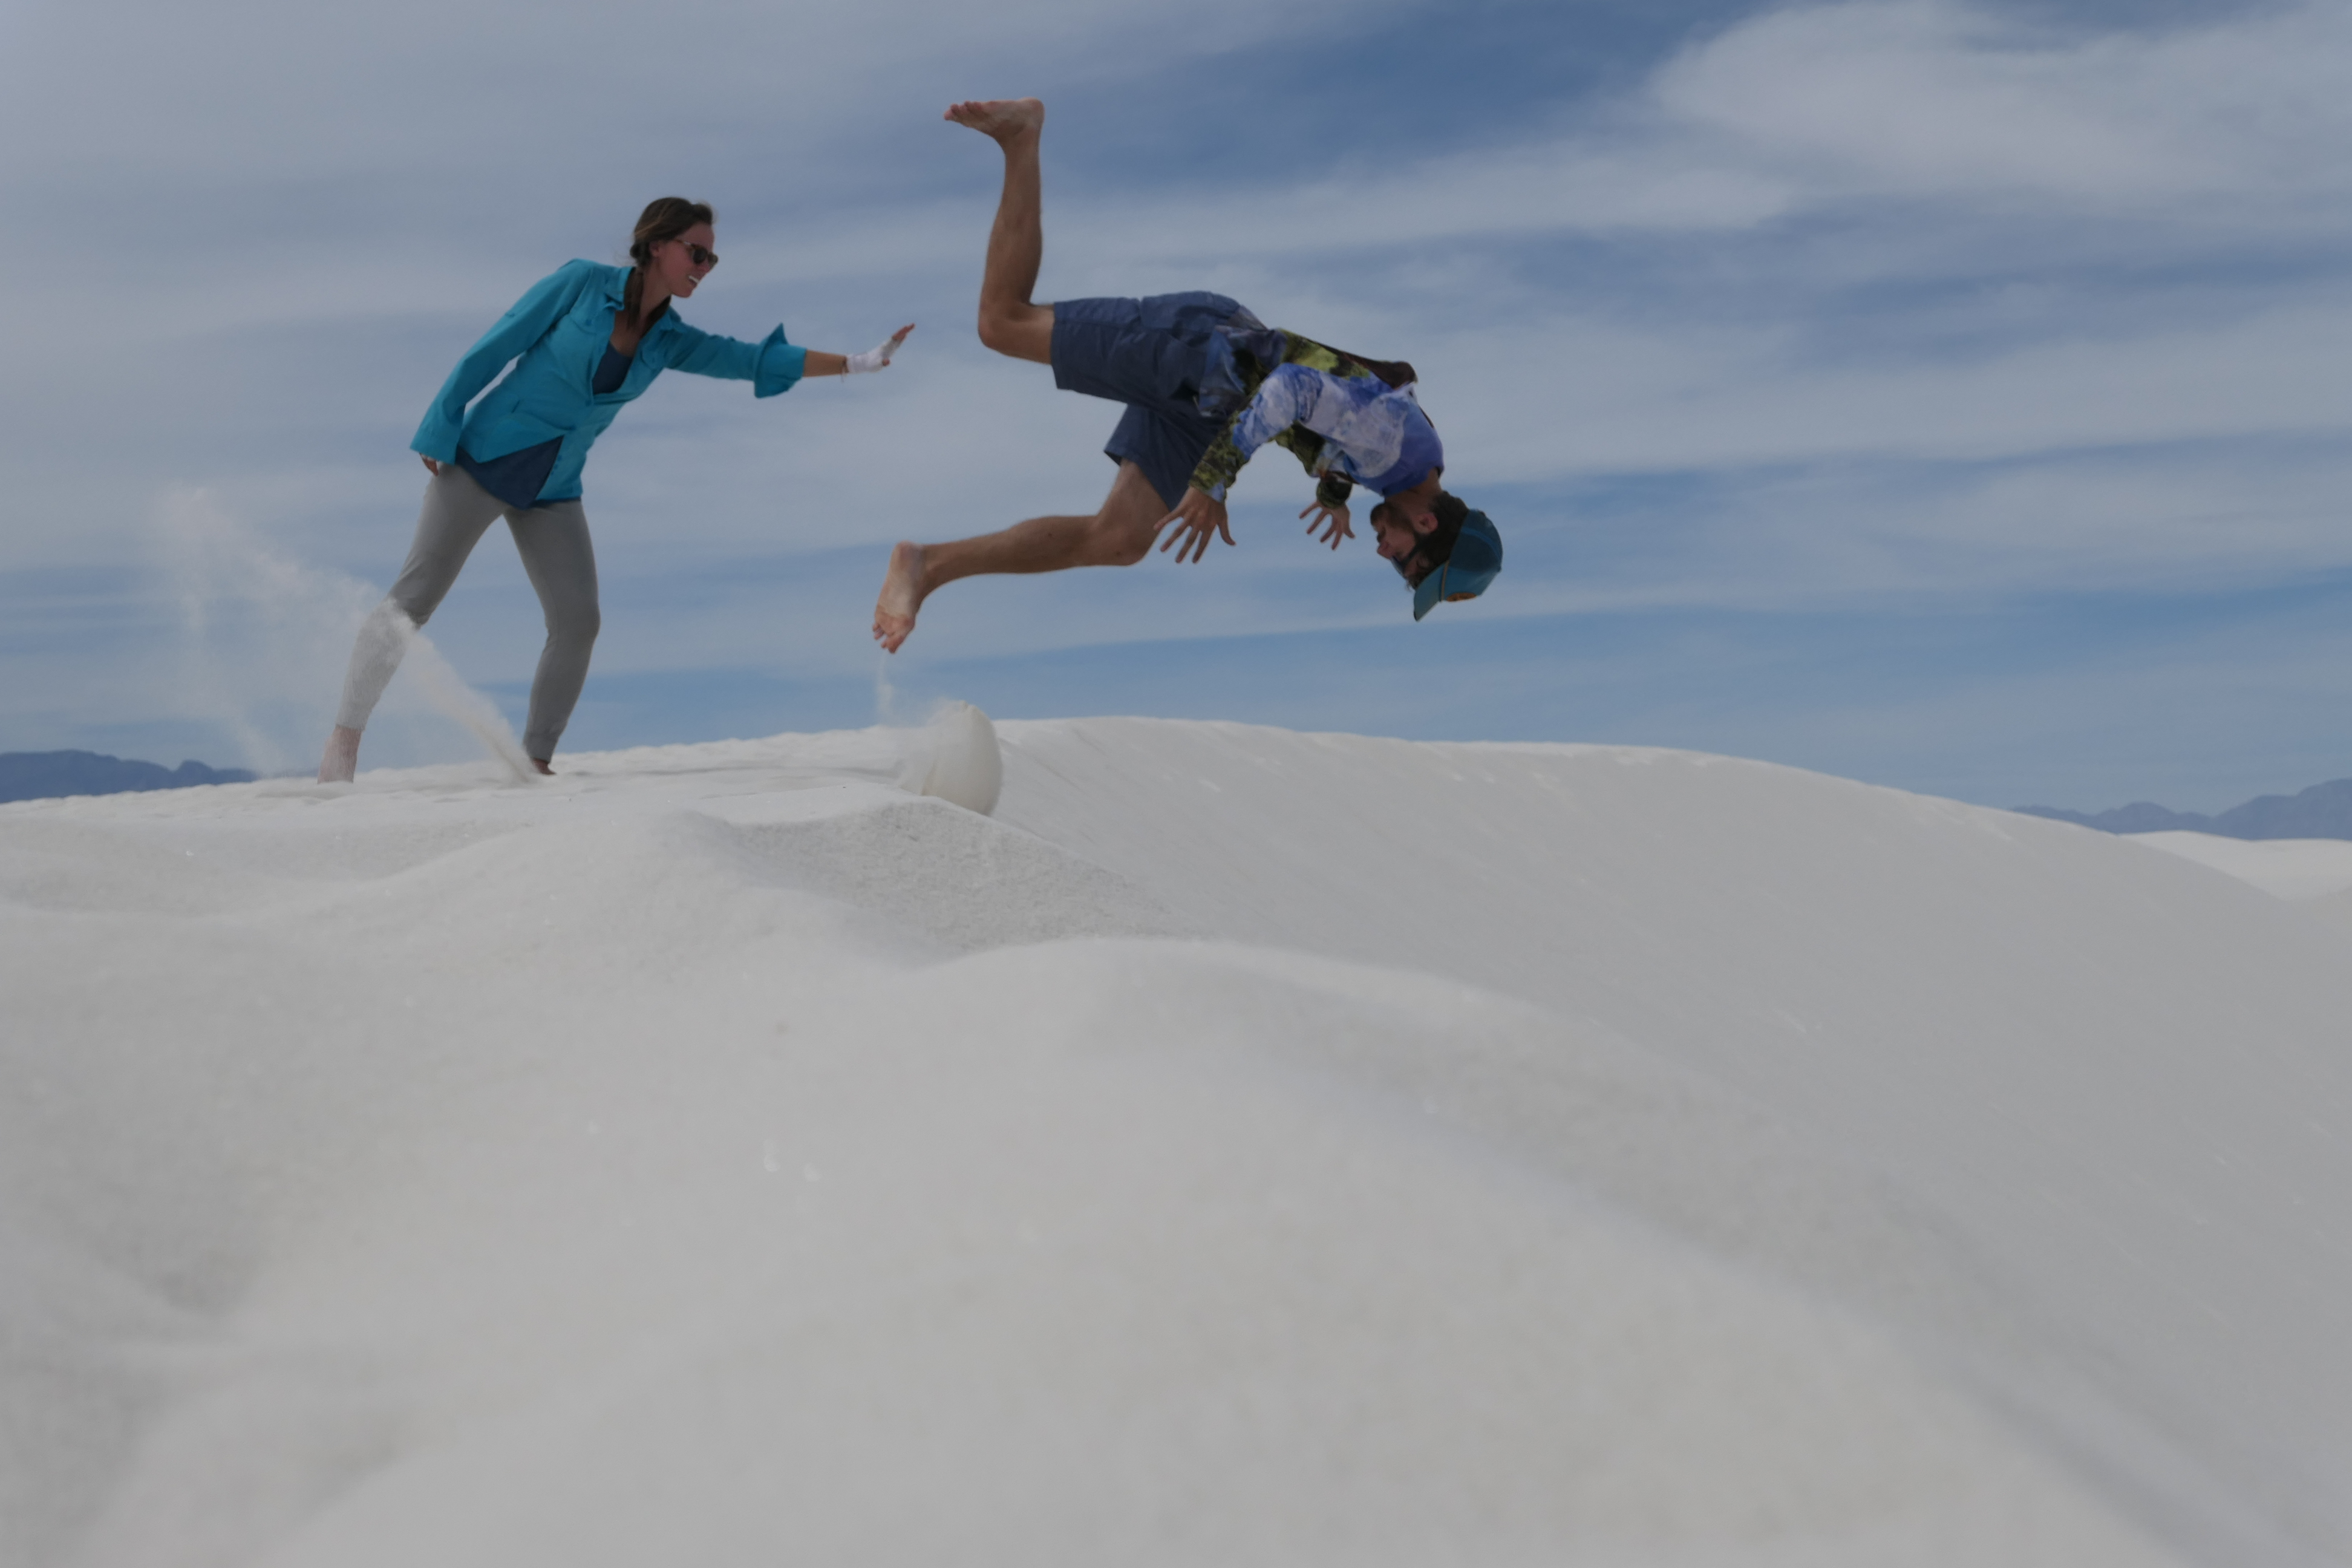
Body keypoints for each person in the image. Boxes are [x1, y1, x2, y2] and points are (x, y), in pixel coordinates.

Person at [871, 98, 1500, 653]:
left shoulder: (1403, 462)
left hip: (1214, 401)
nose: (1387, 558)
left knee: (1121, 540)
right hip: (1202, 350)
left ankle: (928, 566)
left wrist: (1333, 490)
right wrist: (1213, 484)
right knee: (1002, 324)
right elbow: (1291, 388)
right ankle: (1020, 138)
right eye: (1407, 566)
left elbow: (1344, 401)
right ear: (1426, 524)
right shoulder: (1394, 446)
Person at [319, 197, 913, 782]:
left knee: (578, 621)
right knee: (413, 600)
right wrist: (442, 422)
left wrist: (859, 363)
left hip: (554, 487)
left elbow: (750, 360)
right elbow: (499, 344)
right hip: (483, 458)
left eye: (712, 261)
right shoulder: (581, 284)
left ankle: (534, 762)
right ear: (658, 245)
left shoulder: (670, 338)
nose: (704, 268)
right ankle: (345, 740)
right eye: (696, 253)